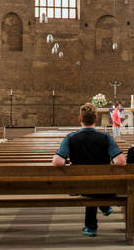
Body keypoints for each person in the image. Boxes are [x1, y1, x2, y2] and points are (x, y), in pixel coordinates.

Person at [52, 101, 125, 236]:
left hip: (80, 185)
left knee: (89, 185)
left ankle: (93, 223)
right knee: (95, 185)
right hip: (103, 185)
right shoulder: (105, 137)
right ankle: (103, 207)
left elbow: (57, 162)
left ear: (79, 119)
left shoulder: (71, 138)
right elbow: (120, 161)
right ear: (96, 119)